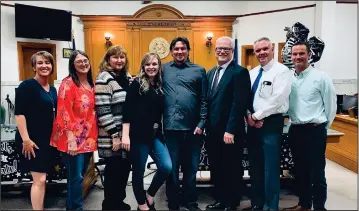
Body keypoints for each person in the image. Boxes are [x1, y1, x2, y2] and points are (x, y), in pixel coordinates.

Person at [283, 41, 336, 211]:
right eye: (295, 54)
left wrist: (322, 127)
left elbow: (331, 106)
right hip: (296, 130)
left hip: (315, 130)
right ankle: (304, 204)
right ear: (291, 56)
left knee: (317, 173)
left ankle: (320, 207)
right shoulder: (289, 78)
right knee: (300, 171)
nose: (298, 57)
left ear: (309, 55)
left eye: (301, 53)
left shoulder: (321, 77)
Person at [243, 37, 293, 211]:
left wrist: (257, 116)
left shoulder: (282, 71)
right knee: (255, 166)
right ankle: (257, 203)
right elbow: (246, 97)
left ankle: (270, 206)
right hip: (253, 123)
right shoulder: (252, 72)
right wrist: (249, 116)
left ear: (272, 49)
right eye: (258, 50)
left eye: (265, 49)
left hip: (271, 123)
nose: (261, 53)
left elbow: (278, 100)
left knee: (270, 169)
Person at [204, 36, 251, 211]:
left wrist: (230, 130)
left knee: (231, 168)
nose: (222, 51)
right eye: (219, 48)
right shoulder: (210, 73)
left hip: (230, 133)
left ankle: (232, 203)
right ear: (215, 51)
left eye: (226, 48)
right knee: (216, 167)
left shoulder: (239, 72)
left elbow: (239, 104)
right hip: (213, 132)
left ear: (232, 51)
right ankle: (220, 200)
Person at [122, 52, 172, 211]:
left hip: (155, 135)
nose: (151, 67)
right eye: (148, 64)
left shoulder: (160, 85)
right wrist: (125, 136)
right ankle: (142, 206)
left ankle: (149, 195)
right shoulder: (136, 83)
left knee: (166, 167)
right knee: (138, 172)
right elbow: (127, 111)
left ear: (159, 66)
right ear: (143, 66)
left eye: (154, 64)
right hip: (137, 136)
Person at [162, 37, 208, 211]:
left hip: (193, 129)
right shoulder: (163, 69)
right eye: (176, 49)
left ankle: (190, 201)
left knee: (191, 168)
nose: (179, 52)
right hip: (170, 128)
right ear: (171, 51)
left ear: (188, 50)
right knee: (171, 168)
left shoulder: (199, 71)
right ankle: (173, 200)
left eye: (183, 49)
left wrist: (202, 122)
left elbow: (204, 99)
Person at [50, 50, 98, 211]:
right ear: (73, 65)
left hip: (88, 138)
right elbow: (63, 112)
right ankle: (76, 208)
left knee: (79, 177)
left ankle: (72, 207)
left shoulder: (92, 84)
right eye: (79, 61)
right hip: (71, 138)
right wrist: (70, 138)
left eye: (85, 60)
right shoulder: (68, 83)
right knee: (75, 178)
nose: (83, 64)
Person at [14, 51, 58, 210]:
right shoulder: (26, 86)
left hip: (47, 141)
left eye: (47, 62)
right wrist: (26, 139)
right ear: (34, 66)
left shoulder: (52, 90)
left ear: (52, 66)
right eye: (40, 63)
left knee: (43, 178)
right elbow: (19, 114)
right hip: (31, 141)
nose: (44, 66)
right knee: (39, 180)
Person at [95, 45, 132, 211]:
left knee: (124, 170)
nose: (119, 60)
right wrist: (115, 135)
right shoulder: (104, 78)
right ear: (108, 59)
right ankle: (109, 205)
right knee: (113, 172)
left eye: (122, 57)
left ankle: (119, 201)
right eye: (115, 57)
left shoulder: (127, 77)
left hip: (126, 135)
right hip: (111, 137)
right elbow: (102, 111)